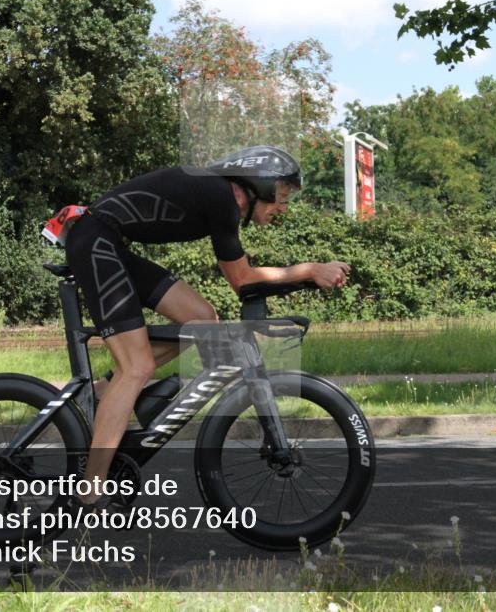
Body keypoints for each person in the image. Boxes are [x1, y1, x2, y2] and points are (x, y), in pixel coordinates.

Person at [63, 145, 350, 509]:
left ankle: (104, 394)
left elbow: (246, 281)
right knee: (137, 368)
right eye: (281, 196)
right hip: (96, 242)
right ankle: (90, 491)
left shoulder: (220, 198)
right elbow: (243, 280)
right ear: (259, 182)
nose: (282, 207)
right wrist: (309, 270)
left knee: (202, 320)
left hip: (108, 243)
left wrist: (305, 277)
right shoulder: (221, 197)